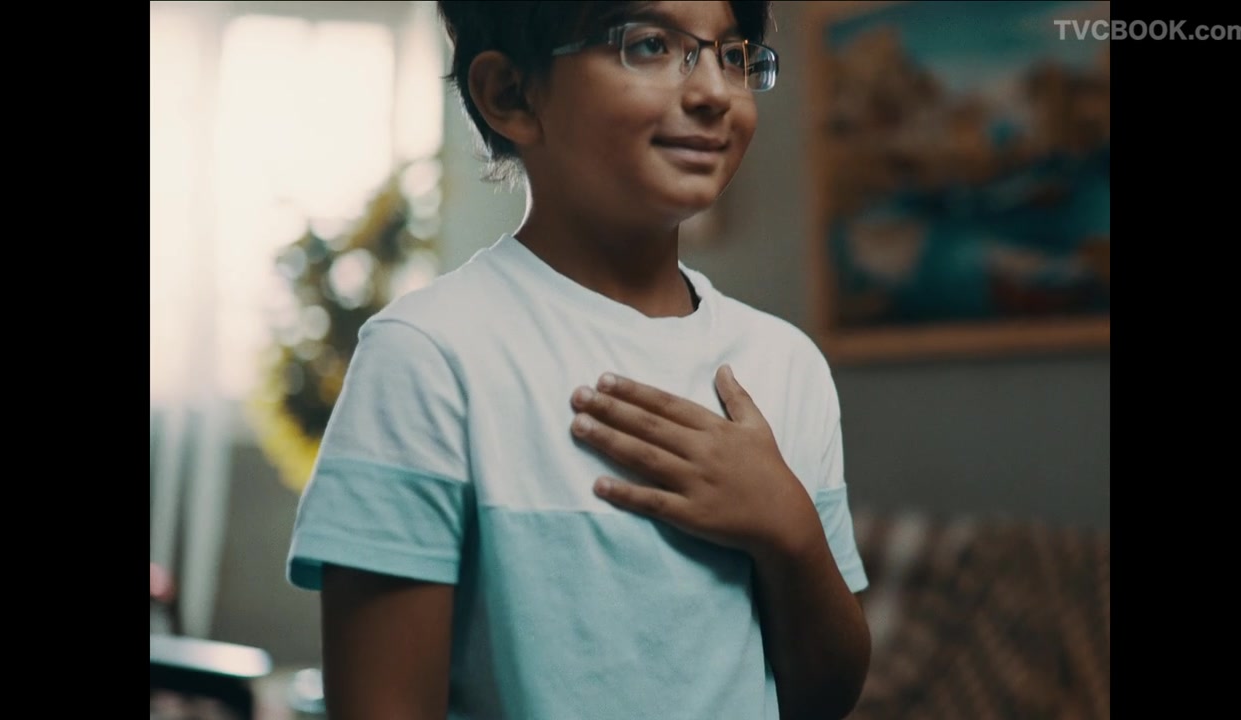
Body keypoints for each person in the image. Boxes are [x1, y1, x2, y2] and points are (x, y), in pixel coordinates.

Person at [286, 2, 871, 718]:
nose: (714, 91)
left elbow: (823, 700)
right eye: (650, 45)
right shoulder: (428, 356)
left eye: (732, 54)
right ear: (511, 95)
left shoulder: (787, 364)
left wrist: (792, 532)